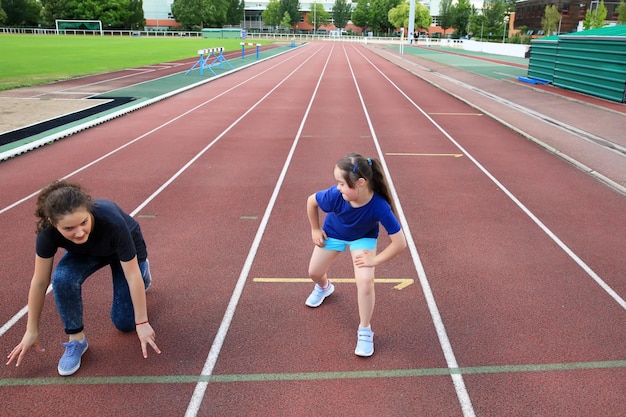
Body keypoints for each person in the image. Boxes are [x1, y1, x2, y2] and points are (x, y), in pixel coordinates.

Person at [6, 180, 160, 376]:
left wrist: (142, 323)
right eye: (69, 229)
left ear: (89, 212)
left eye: (83, 222)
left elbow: (131, 274)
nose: (79, 232)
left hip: (123, 252)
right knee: (61, 278)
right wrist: (31, 330)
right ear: (53, 223)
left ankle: (144, 271)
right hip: (86, 252)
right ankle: (76, 340)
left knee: (125, 323)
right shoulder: (47, 233)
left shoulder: (111, 222)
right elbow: (39, 282)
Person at [306, 153, 407, 357]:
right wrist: (315, 229)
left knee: (366, 281)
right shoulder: (335, 195)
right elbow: (311, 201)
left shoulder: (379, 206)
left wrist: (374, 260)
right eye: (338, 183)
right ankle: (324, 287)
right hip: (333, 234)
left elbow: (400, 243)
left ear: (360, 183)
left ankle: (365, 330)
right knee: (314, 272)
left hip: (363, 239)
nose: (338, 187)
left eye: (342, 183)